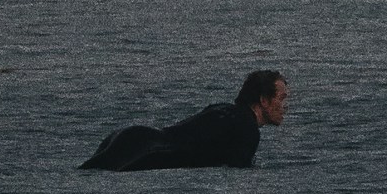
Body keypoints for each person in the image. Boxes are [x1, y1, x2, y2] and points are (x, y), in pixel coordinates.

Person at [83, 68, 288, 172]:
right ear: (263, 100)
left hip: (133, 136)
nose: (285, 106)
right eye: (281, 99)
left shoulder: (222, 108)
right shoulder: (248, 129)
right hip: (149, 151)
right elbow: (237, 172)